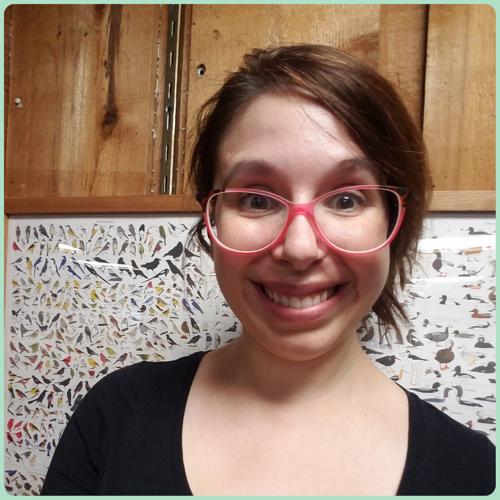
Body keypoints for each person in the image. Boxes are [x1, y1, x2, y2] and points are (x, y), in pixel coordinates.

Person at [41, 44, 495, 495]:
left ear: (395, 221)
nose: (299, 249)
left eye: (346, 199)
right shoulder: (115, 416)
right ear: (211, 219)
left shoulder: (474, 474)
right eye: (257, 200)